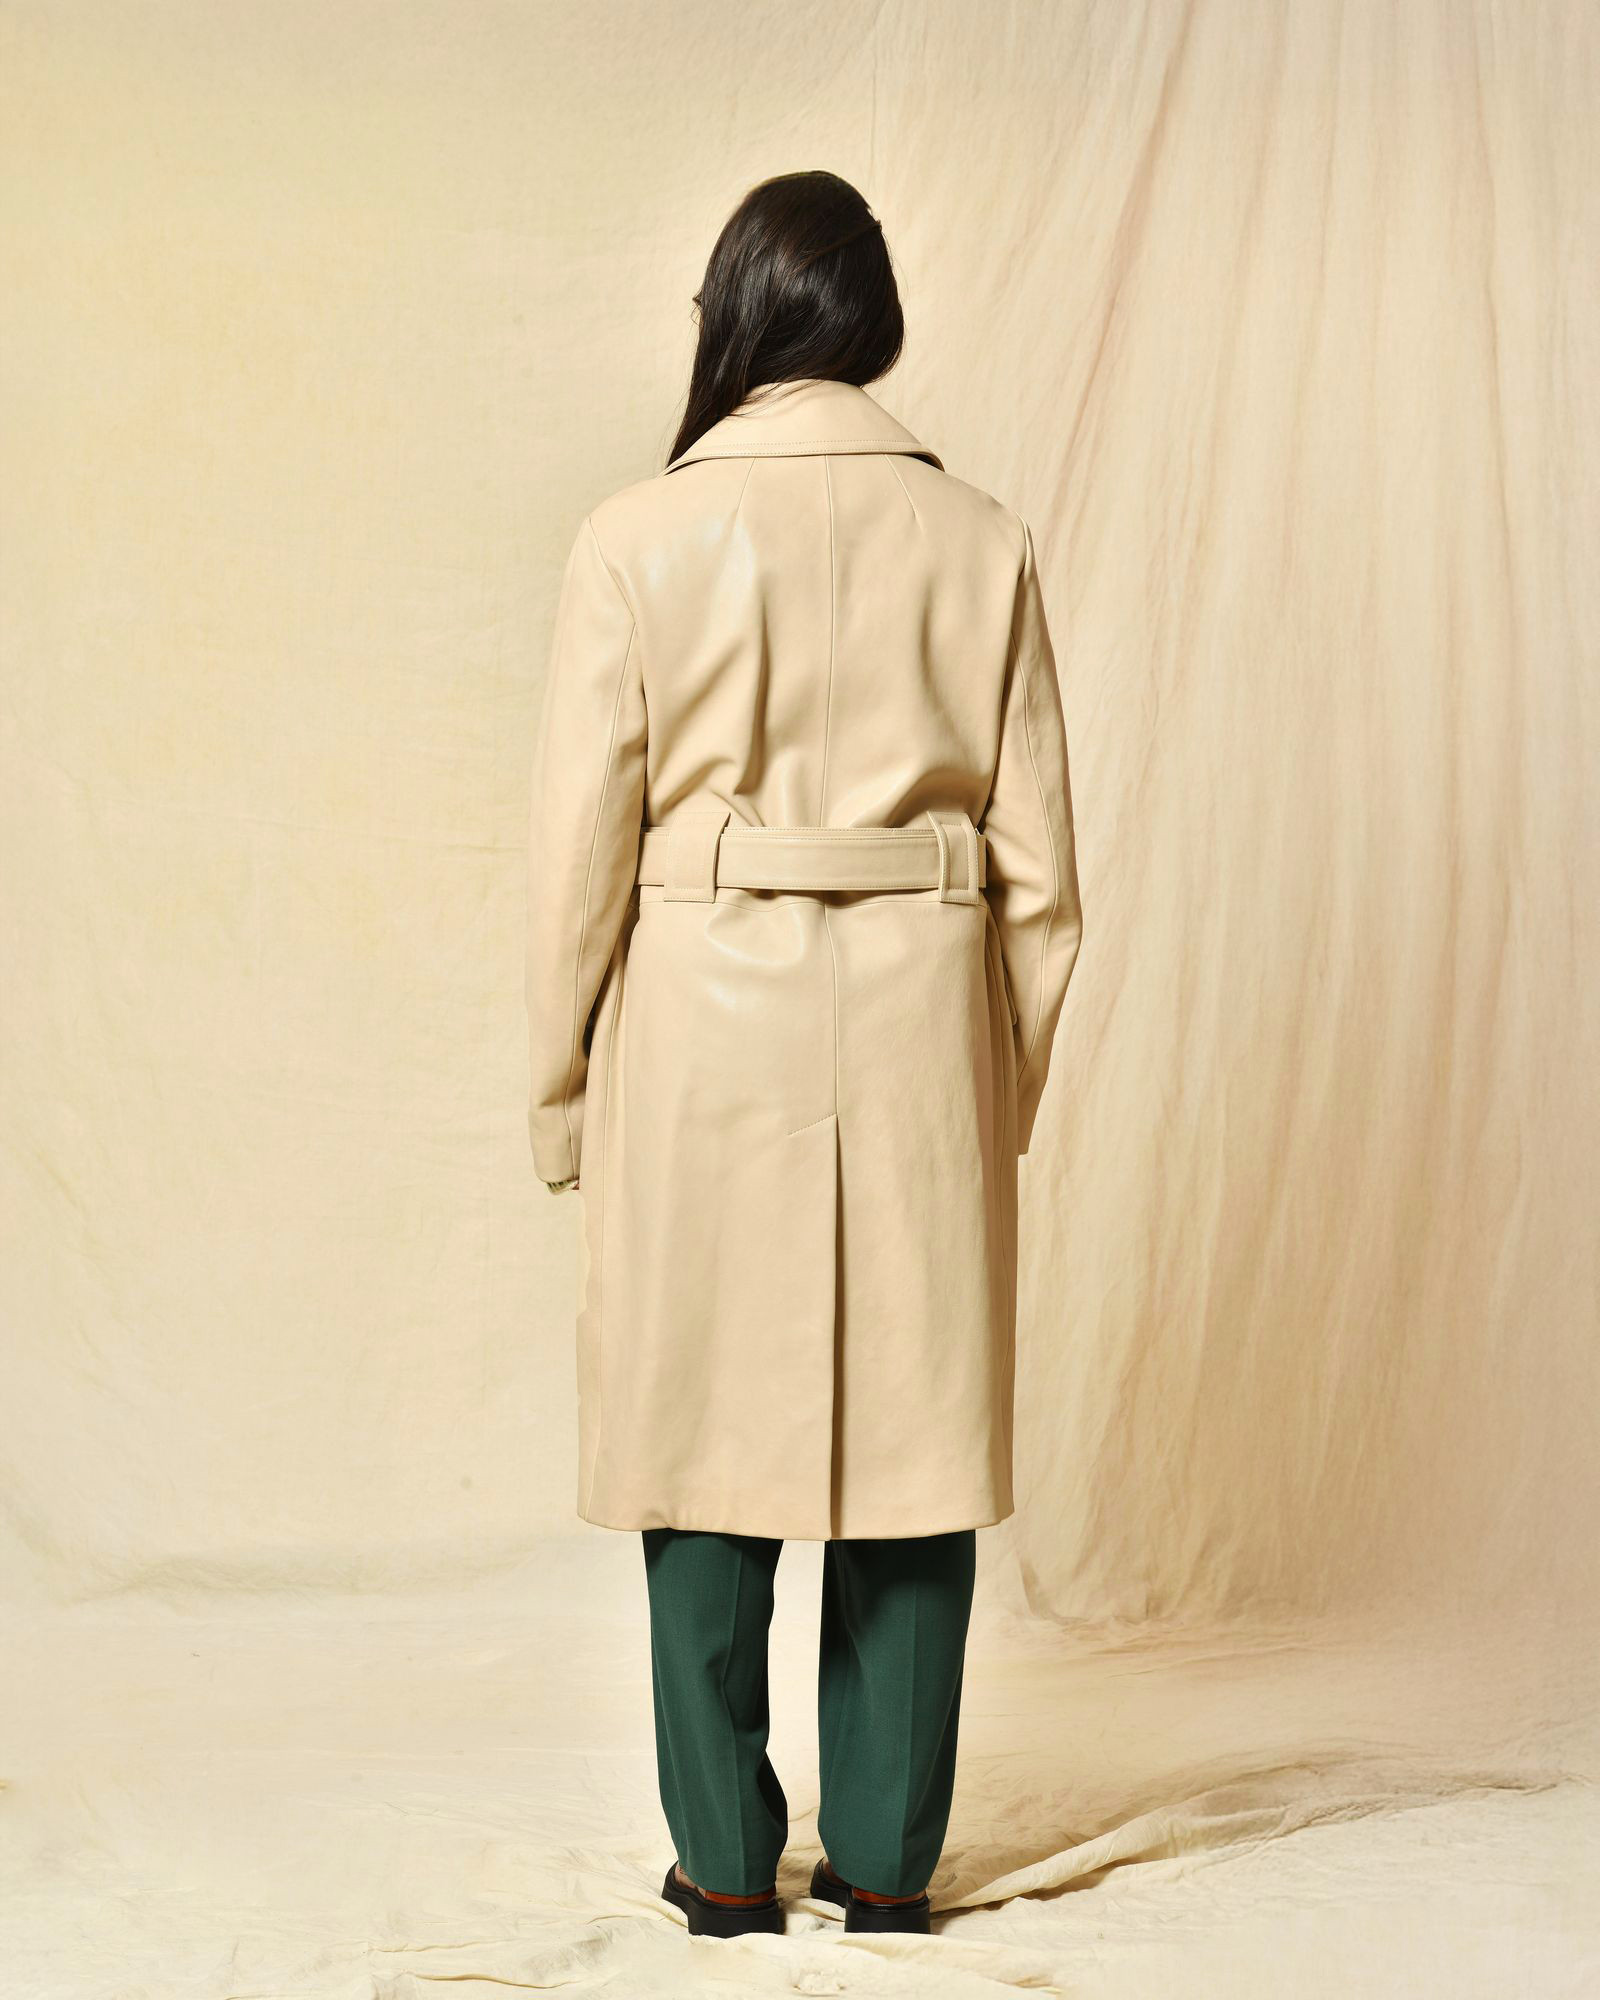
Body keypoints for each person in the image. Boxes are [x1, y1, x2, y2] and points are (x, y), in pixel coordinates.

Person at [524, 169, 1083, 1938]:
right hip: (921, 1021)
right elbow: (1047, 883)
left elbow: (576, 858)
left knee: (698, 1429)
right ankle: (894, 1866)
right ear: (873, 321)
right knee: (915, 1435)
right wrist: (1000, 1087)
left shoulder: (635, 539)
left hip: (700, 1023)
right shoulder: (981, 540)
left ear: (738, 317)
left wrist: (560, 1085)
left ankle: (719, 1861)